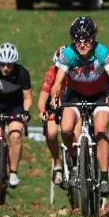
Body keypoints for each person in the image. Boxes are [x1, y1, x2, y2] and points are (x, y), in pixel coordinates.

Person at [50, 16, 109, 197]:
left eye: (87, 41)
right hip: (75, 96)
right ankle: (74, 165)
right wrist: (54, 98)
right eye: (78, 41)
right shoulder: (68, 54)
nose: (82, 45)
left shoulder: (102, 51)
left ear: (94, 37)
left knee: (100, 130)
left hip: (100, 95)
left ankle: (104, 178)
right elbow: (57, 83)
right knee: (66, 129)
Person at [0, 43, 32, 188]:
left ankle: (14, 172)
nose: (5, 68)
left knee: (15, 135)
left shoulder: (22, 73)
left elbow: (27, 97)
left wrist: (26, 112)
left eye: (9, 65)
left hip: (14, 106)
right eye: (2, 64)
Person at [38, 46, 67, 186]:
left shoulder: (77, 72)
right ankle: (57, 162)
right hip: (54, 104)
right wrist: (41, 110)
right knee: (51, 133)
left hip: (72, 103)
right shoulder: (50, 74)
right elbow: (42, 99)